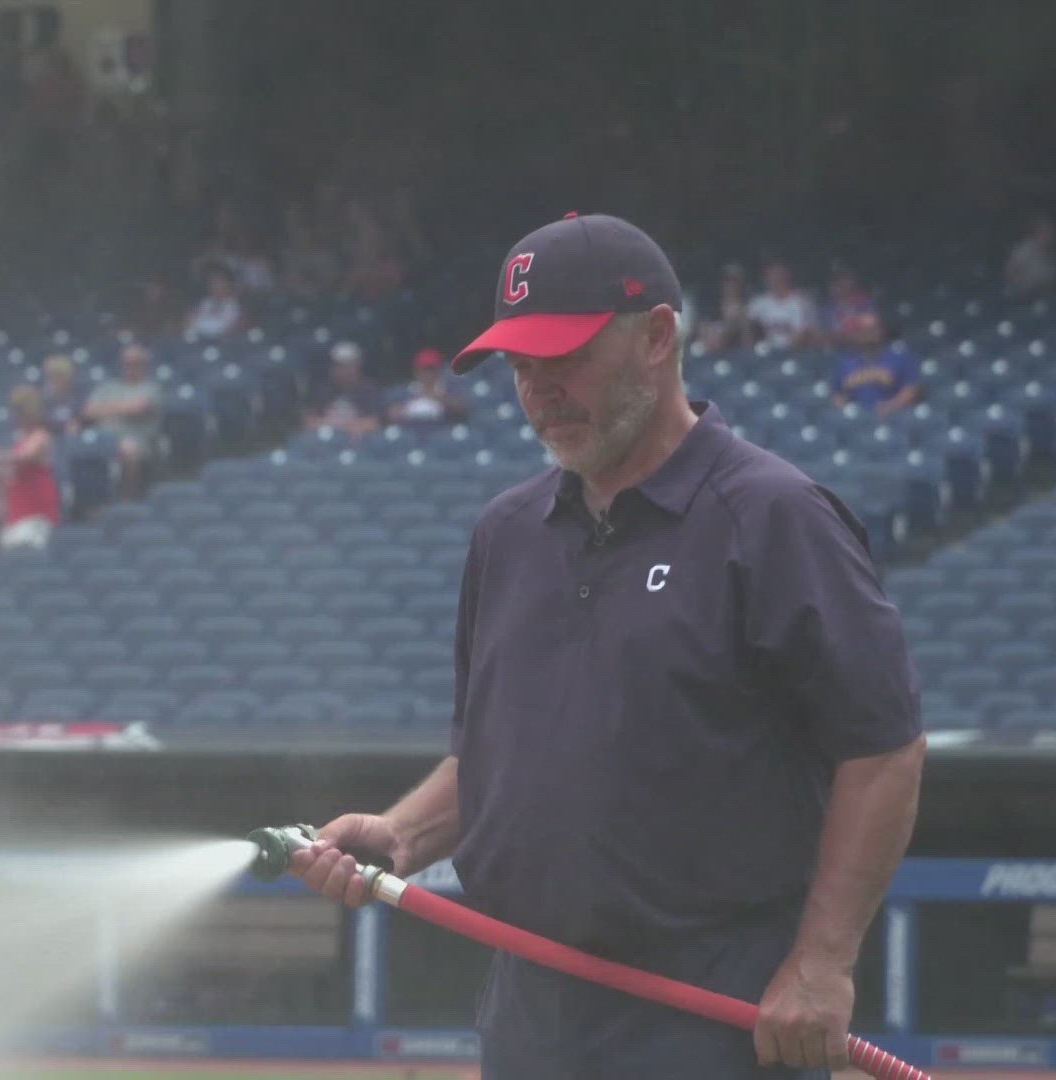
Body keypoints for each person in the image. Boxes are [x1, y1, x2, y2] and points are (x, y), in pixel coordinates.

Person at [290, 213, 924, 1079]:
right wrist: (403, 833)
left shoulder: (772, 517)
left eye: (565, 357)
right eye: (519, 364)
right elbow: (499, 755)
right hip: (531, 1003)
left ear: (658, 336)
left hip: (710, 1007)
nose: (539, 389)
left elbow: (883, 751)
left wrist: (821, 964)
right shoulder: (505, 534)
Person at [84, 344, 165, 499]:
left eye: (136, 363)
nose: (130, 367)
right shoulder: (108, 386)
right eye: (127, 363)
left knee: (128, 449)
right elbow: (89, 411)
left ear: (145, 365)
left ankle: (128, 500)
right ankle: (89, 503)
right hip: (102, 438)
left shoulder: (152, 388)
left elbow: (139, 408)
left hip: (138, 440)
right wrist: (124, 407)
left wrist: (106, 409)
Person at [0, 385, 62, 553]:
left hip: (35, 509)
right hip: (16, 508)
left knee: (29, 555)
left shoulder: (41, 436)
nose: (16, 417)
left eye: (20, 412)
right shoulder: (19, 438)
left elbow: (25, 456)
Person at [833, 313, 919, 417]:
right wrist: (845, 406)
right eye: (864, 330)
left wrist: (891, 406)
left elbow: (911, 390)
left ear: (881, 331)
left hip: (893, 416)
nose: (869, 334)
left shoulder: (900, 358)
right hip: (857, 417)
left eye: (873, 330)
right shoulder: (845, 362)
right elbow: (837, 394)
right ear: (857, 333)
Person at [305, 341, 384, 440]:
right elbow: (310, 422)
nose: (346, 371)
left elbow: (375, 423)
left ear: (358, 366)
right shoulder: (322, 390)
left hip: (362, 442)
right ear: (333, 368)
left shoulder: (370, 389)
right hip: (327, 440)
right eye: (341, 366)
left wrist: (339, 426)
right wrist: (340, 426)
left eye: (350, 366)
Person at [747, 259, 819, 349]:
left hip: (796, 352)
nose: (777, 278)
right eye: (773, 274)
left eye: (780, 273)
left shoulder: (802, 301)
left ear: (788, 275)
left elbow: (803, 334)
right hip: (765, 352)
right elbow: (748, 331)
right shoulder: (758, 302)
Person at [389, 348, 470, 428]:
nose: (428, 373)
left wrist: (437, 397)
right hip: (413, 431)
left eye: (431, 369)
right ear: (417, 371)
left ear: (439, 370)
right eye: (425, 369)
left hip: (441, 432)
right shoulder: (408, 391)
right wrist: (412, 401)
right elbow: (392, 415)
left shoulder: (448, 388)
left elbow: (462, 409)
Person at [697, 263, 752, 352]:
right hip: (711, 355)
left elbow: (748, 342)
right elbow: (701, 337)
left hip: (737, 355)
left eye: (735, 281)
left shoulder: (748, 308)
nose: (731, 285)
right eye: (728, 281)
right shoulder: (712, 307)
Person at [183, 264, 247, 340]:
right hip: (198, 340)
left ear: (228, 284)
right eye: (211, 283)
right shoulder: (206, 302)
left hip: (221, 343)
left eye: (218, 282)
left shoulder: (234, 306)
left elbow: (224, 329)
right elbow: (193, 323)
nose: (214, 286)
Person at [1005, 213, 1056, 296]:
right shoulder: (1025, 248)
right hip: (1020, 291)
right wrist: (1021, 280)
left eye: (1050, 232)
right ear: (1037, 232)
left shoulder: (1052, 254)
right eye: (1045, 232)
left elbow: (1051, 279)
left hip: (1042, 293)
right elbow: (1010, 270)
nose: (1049, 235)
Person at [41, 353, 87, 436]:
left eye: (59, 376)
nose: (56, 380)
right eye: (52, 376)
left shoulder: (78, 397)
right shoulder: (43, 400)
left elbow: (82, 417)